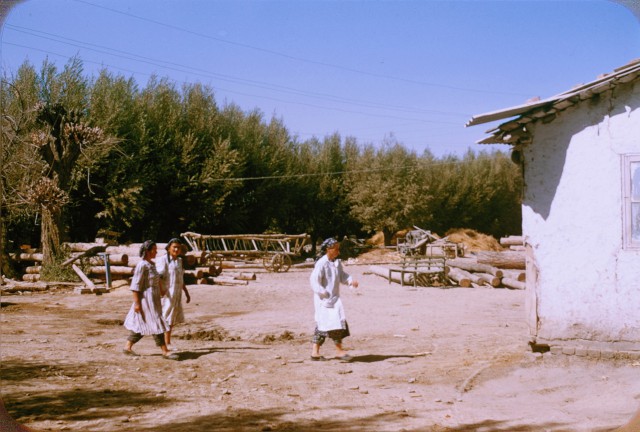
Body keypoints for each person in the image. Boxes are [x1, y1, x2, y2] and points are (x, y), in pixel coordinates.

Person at [122, 240, 179, 360]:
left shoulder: (152, 265)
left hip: (154, 299)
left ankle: (127, 347)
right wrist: (137, 304)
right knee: (155, 322)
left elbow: (156, 281)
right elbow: (135, 286)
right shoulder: (142, 265)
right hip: (145, 300)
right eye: (154, 249)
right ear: (147, 251)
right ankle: (164, 351)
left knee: (143, 324)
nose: (156, 251)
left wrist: (162, 291)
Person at [309, 237, 359, 361]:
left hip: (334, 299)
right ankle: (337, 351)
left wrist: (350, 281)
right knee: (327, 324)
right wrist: (322, 292)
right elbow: (314, 281)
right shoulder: (321, 263)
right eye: (335, 249)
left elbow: (342, 276)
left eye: (338, 249)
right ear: (328, 249)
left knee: (331, 324)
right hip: (324, 300)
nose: (338, 251)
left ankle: (319, 352)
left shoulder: (336, 263)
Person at [157, 238, 191, 351]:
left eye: (178, 247)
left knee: (171, 319)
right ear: (168, 248)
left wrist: (186, 292)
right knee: (165, 318)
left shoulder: (179, 261)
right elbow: (159, 276)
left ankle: (167, 342)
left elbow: (180, 279)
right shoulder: (163, 260)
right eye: (174, 247)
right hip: (166, 295)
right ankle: (165, 343)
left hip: (176, 294)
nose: (176, 249)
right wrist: (161, 291)